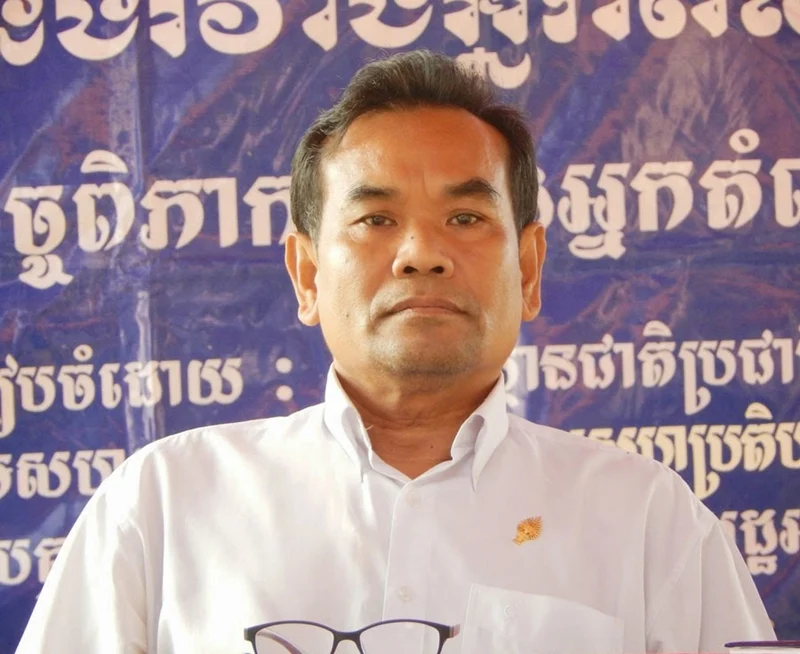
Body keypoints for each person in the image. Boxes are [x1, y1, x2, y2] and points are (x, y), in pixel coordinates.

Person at [16, 49, 775, 654]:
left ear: (529, 269)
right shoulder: (162, 506)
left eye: (466, 218)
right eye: (376, 220)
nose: (421, 254)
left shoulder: (646, 520)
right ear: (307, 275)